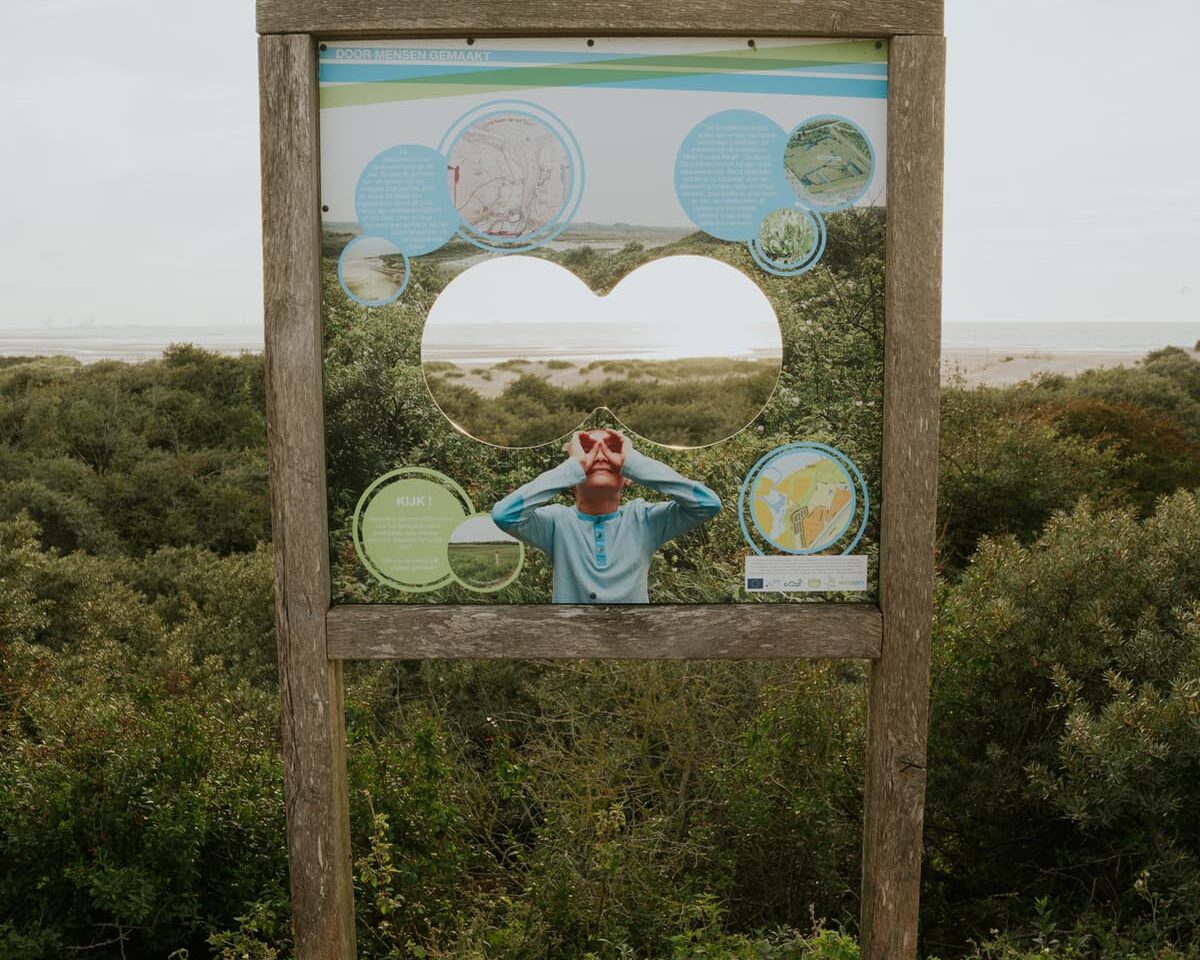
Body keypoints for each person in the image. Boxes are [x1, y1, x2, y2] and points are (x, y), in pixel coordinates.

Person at [491, 428, 721, 603]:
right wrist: (572, 467)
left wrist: (632, 461)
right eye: (588, 451)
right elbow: (504, 515)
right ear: (570, 477)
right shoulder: (557, 523)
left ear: (628, 476)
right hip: (574, 656)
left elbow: (708, 504)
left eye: (611, 449)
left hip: (632, 654)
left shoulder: (644, 520)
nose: (600, 457)